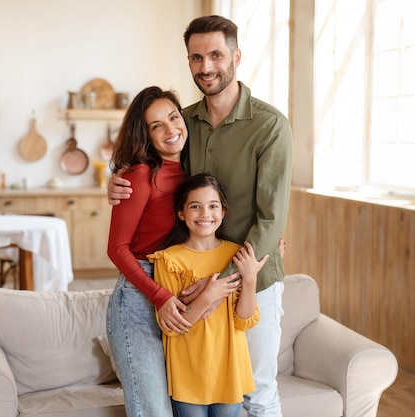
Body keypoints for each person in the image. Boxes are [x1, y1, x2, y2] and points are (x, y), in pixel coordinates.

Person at [108, 15, 293, 417]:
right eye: (196, 57)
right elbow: (146, 169)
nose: (206, 67)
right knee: (187, 392)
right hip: (187, 283)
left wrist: (217, 283)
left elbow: (270, 218)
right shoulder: (183, 122)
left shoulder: (270, 126)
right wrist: (115, 181)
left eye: (215, 55)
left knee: (257, 394)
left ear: (237, 56)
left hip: (249, 281)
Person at [106, 86, 227, 417]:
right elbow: (116, 249)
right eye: (156, 125)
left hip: (178, 290)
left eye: (174, 117)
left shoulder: (192, 171)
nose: (171, 129)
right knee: (153, 412)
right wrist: (159, 296)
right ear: (144, 134)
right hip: (139, 298)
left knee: (182, 407)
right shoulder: (140, 175)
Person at [148, 173, 267, 417]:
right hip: (189, 375)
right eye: (195, 207)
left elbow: (244, 320)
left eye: (213, 206)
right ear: (181, 213)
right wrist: (209, 294)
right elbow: (171, 327)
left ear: (223, 212)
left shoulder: (237, 256)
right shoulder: (169, 259)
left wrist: (250, 278)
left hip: (229, 373)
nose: (205, 214)